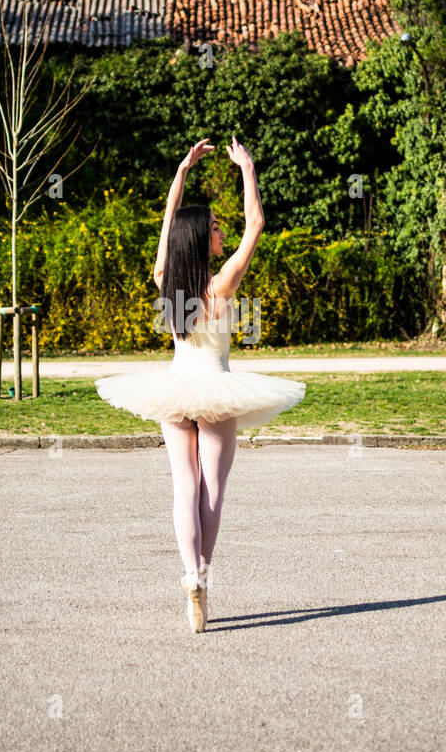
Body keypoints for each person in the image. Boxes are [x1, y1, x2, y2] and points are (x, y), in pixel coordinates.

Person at [95, 136, 306, 633]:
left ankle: (190, 577)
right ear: (201, 238)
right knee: (211, 491)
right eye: (213, 227)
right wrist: (247, 168)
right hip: (216, 392)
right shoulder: (222, 285)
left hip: (174, 389)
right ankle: (202, 578)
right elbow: (256, 224)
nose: (220, 231)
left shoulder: (165, 277)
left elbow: (169, 225)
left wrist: (182, 172)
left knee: (183, 488)